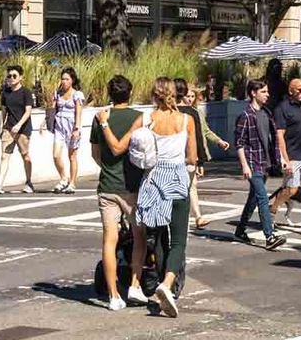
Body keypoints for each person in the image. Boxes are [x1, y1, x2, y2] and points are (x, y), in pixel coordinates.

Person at [97, 78, 197, 317]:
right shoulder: (187, 120)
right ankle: (167, 283)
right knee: (179, 240)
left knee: (159, 234)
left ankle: (157, 282)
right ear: (175, 95)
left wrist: (104, 124)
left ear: (153, 95)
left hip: (152, 179)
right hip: (176, 177)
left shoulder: (146, 119)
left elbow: (121, 147)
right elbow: (192, 158)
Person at [90, 75, 150, 310]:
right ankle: (135, 284)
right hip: (133, 187)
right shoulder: (138, 118)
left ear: (110, 94)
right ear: (130, 93)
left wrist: (107, 169)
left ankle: (114, 295)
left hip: (107, 186)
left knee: (109, 239)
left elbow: (96, 154)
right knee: (139, 236)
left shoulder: (100, 117)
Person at [232, 80, 285, 250]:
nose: (267, 94)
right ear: (253, 93)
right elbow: (239, 143)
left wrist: (280, 158)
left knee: (253, 198)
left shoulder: (266, 113)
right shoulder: (245, 116)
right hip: (252, 162)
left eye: (267, 91)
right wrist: (245, 166)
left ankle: (240, 230)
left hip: (265, 162)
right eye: (263, 91)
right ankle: (269, 236)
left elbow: (272, 139)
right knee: (263, 197)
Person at [269, 78, 301, 236]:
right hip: (293, 156)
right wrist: (284, 159)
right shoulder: (282, 109)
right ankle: (272, 208)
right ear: (291, 91)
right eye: (299, 90)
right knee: (291, 190)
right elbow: (280, 135)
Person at [176, 78, 228, 230]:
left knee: (190, 186)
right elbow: (198, 137)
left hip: (180, 156)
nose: (190, 99)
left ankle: (196, 216)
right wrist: (199, 160)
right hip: (187, 156)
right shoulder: (190, 113)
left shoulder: (189, 112)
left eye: (193, 96)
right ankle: (194, 216)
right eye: (188, 96)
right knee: (189, 187)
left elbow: (202, 133)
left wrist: (216, 143)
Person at [0, 65, 36, 195]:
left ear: (20, 77)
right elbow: (3, 111)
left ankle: (28, 182)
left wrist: (19, 125)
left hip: (22, 129)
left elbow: (28, 111)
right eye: (9, 76)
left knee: (25, 155)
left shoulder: (26, 92)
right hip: (9, 128)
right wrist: (1, 127)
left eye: (14, 76)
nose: (11, 78)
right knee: (5, 156)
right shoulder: (6, 93)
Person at [49, 67, 87, 194]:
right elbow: (52, 109)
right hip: (59, 125)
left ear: (72, 80)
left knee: (72, 156)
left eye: (67, 79)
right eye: (63, 79)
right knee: (55, 154)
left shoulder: (77, 95)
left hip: (71, 126)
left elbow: (78, 112)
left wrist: (77, 128)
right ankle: (63, 178)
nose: (64, 81)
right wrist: (46, 121)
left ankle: (72, 182)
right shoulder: (58, 93)